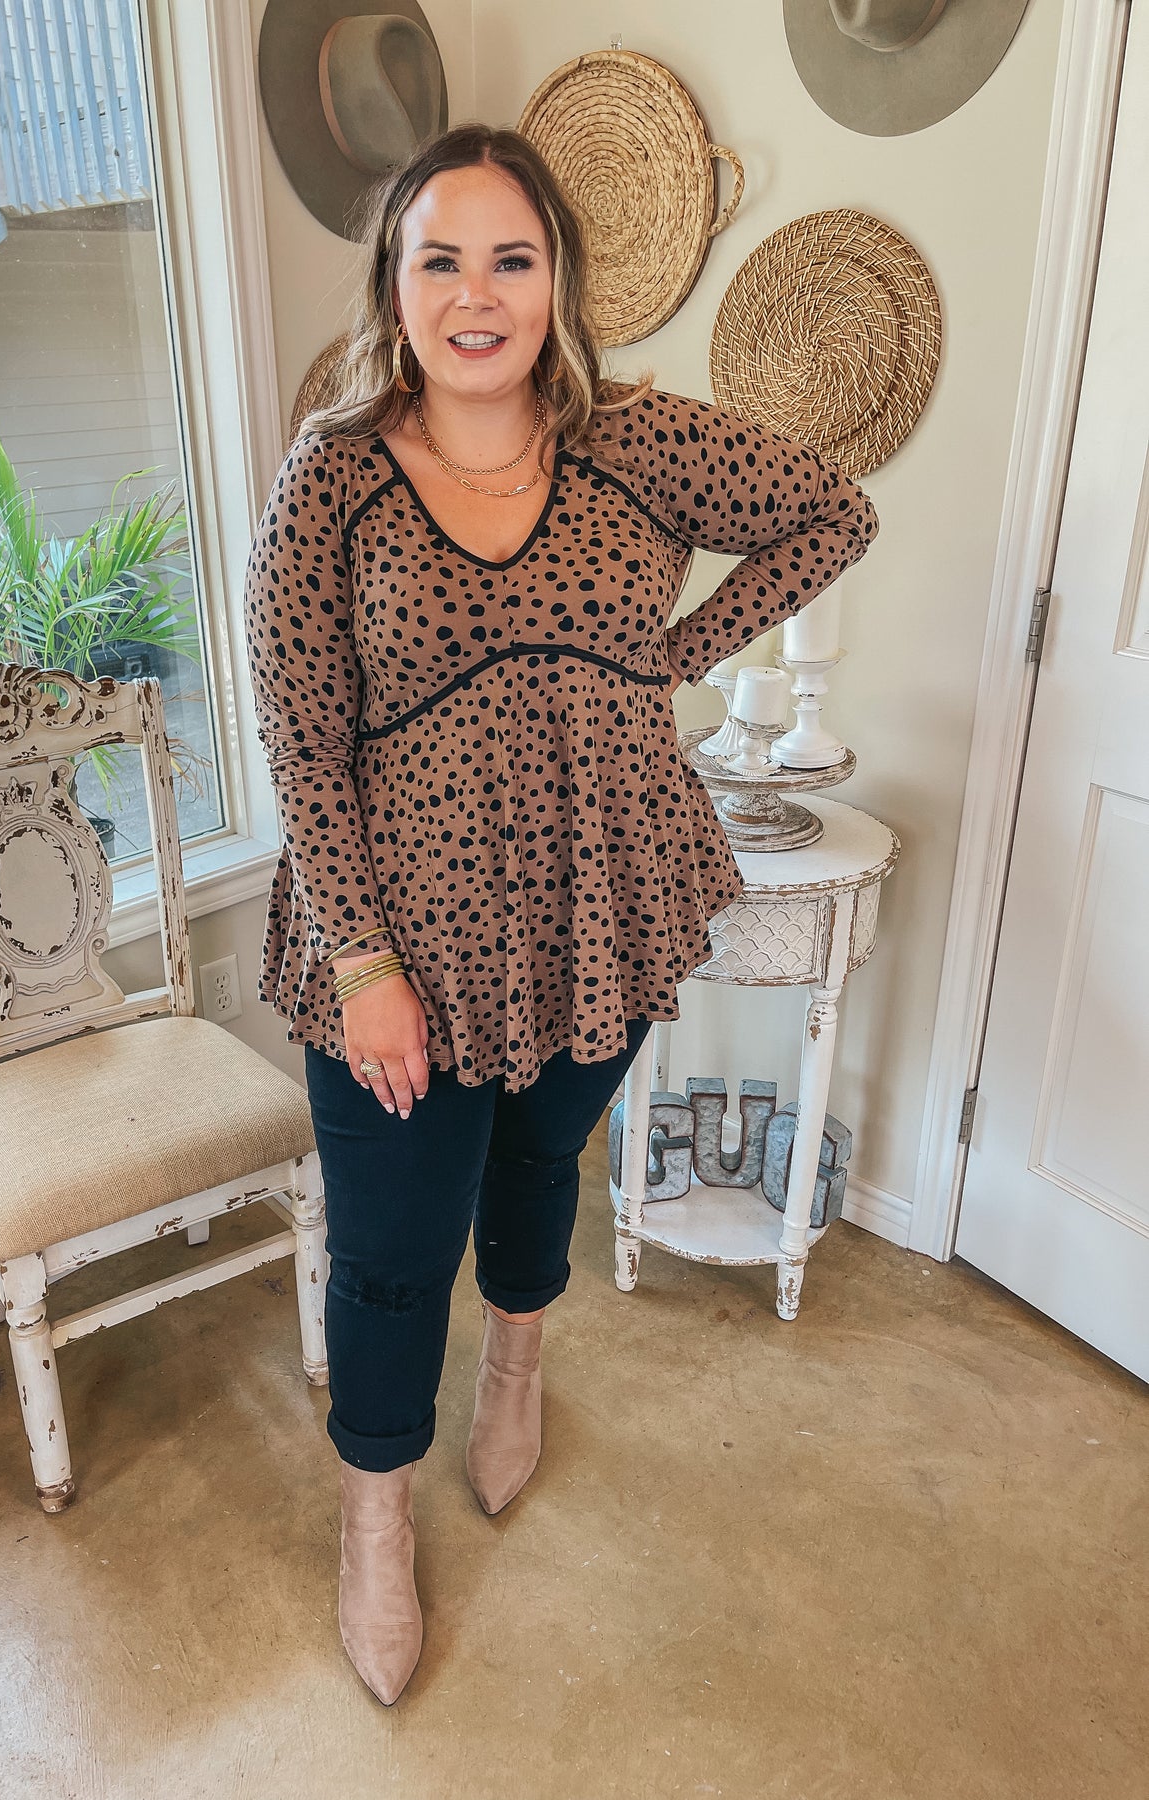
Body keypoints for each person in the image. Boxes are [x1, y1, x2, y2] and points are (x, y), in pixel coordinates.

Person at [243, 123, 879, 1706]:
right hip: (401, 938)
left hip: (599, 905)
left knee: (539, 1165)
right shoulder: (333, 474)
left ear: (556, 283)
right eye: (440, 260)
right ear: (395, 290)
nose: (477, 295)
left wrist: (676, 654)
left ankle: (516, 1368)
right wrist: (363, 961)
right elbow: (299, 737)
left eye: (510, 259)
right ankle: (374, 1523)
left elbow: (830, 514)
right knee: (392, 1254)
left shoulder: (633, 440)